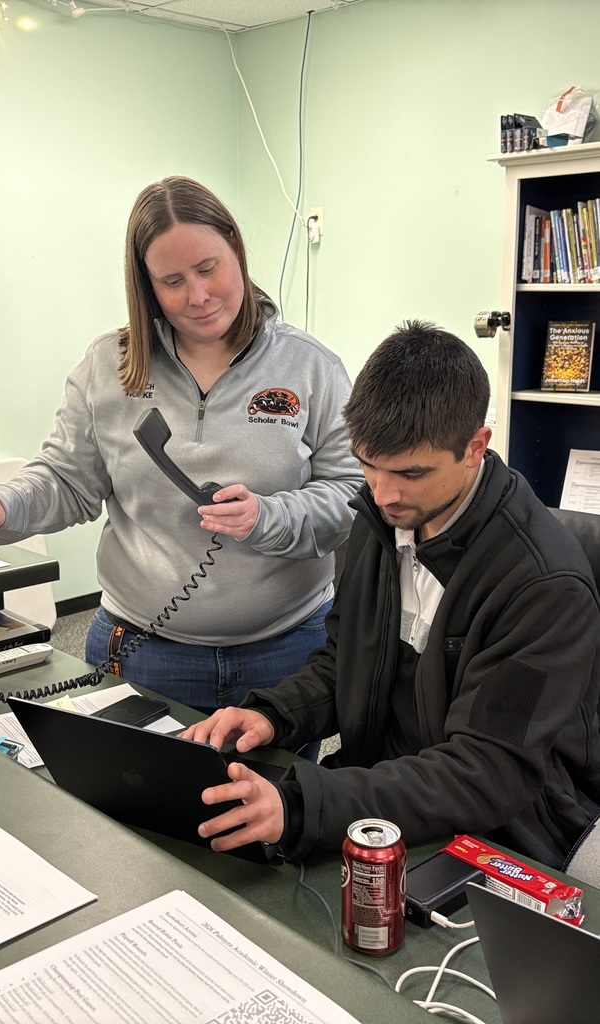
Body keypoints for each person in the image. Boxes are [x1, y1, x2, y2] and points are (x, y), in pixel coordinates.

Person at [0, 176, 362, 713]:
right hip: (143, 649)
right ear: (145, 285)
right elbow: (66, 478)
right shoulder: (109, 367)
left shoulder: (311, 367)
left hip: (286, 651)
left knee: (276, 794)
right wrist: (5, 502)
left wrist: (271, 516)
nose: (197, 296)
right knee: (133, 795)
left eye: (208, 269)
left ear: (237, 254)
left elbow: (352, 492)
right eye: (172, 280)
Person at [182, 320, 600, 870]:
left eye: (410, 472)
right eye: (367, 465)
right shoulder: (383, 518)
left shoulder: (544, 586)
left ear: (475, 447)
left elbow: (487, 772)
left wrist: (313, 804)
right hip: (380, 801)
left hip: (498, 836)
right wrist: (276, 714)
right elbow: (345, 660)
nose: (383, 493)